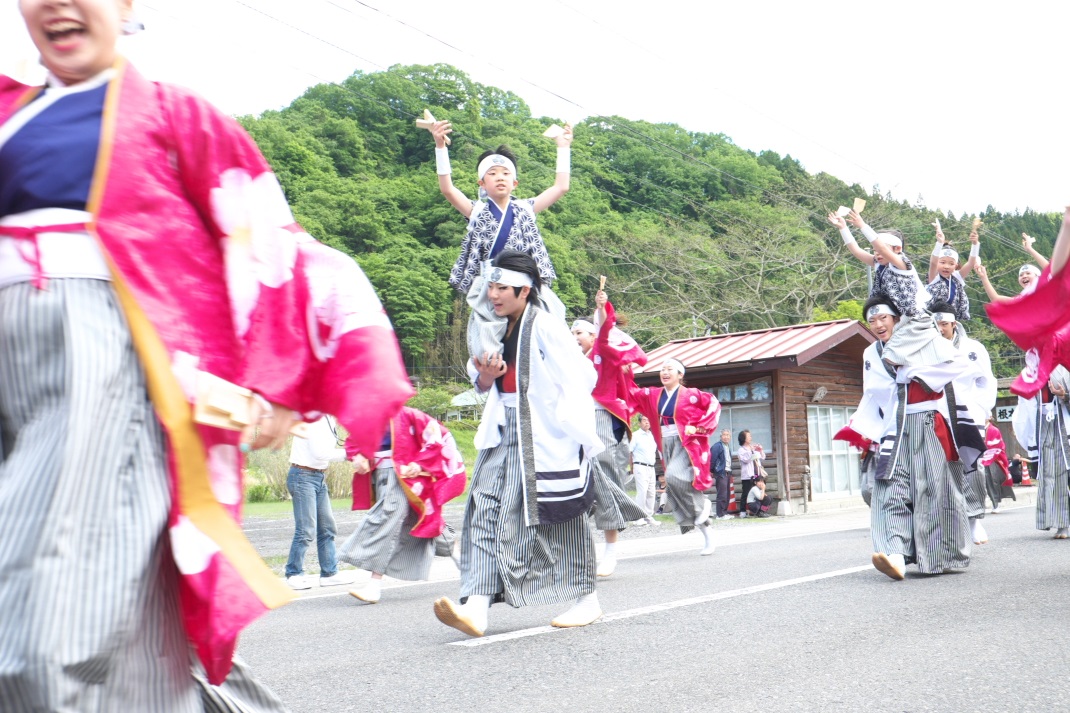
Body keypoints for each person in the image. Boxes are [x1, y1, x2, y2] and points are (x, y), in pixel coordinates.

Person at [0, 1, 414, 708]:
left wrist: (278, 381)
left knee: (43, 631)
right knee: (137, 635)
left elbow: (269, 243)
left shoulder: (172, 114)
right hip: (16, 376)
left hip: (100, 374)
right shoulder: (13, 113)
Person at [432, 251, 604, 637]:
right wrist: (488, 377)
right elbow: (482, 384)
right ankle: (475, 606)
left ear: (524, 291)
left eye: (501, 288)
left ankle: (586, 597)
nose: (493, 294)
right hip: (503, 429)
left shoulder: (545, 325)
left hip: (544, 433)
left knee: (555, 517)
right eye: (490, 286)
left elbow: (580, 375)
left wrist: (568, 426)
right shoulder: (494, 327)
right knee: (483, 510)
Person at [835, 295, 972, 581]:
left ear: (898, 318)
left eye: (883, 318)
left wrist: (913, 373)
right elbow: (873, 391)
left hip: (928, 421)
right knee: (888, 488)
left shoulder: (925, 338)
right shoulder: (871, 353)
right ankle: (894, 553)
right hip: (893, 428)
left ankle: (939, 556)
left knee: (933, 488)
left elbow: (958, 364)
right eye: (871, 320)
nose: (877, 324)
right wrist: (867, 429)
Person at [429, 119, 572, 359]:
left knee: (548, 324)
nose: (500, 177)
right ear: (481, 184)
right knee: (489, 338)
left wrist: (563, 147)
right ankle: (492, 369)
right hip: (492, 285)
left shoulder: (526, 208)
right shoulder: (475, 210)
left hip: (524, 282)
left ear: (515, 182)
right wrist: (440, 147)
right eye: (492, 174)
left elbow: (561, 187)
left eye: (506, 173)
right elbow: (447, 189)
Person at [343, 407, 467, 604]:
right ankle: (460, 556)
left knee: (387, 520)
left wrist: (421, 464)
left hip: (404, 475)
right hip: (382, 474)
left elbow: (434, 435)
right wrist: (357, 456)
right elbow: (353, 441)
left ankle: (374, 585)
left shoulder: (409, 415)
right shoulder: (366, 415)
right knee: (419, 519)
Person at [571, 289, 648, 576]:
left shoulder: (602, 351)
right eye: (572, 333)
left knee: (602, 475)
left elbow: (604, 328)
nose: (575, 337)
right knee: (571, 482)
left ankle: (611, 550)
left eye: (580, 332)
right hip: (574, 422)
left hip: (602, 416)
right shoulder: (568, 361)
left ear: (592, 337)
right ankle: (574, 553)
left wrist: (601, 308)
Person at [632, 359, 720, 554]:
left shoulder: (692, 395)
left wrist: (698, 427)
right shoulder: (654, 394)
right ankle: (707, 530)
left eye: (670, 369)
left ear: (680, 375)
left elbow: (713, 405)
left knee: (672, 476)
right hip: (665, 442)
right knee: (674, 486)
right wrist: (622, 370)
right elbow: (632, 393)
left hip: (686, 443)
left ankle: (703, 509)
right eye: (662, 369)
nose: (665, 372)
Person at [931, 301, 996, 545]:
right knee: (944, 469)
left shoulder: (973, 348)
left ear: (954, 324)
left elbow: (986, 381)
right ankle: (950, 523)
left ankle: (974, 519)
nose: (940, 328)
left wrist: (980, 409)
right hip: (939, 415)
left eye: (944, 324)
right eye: (936, 324)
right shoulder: (928, 348)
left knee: (973, 467)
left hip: (969, 415)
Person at [284, 416, 354, 590]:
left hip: (318, 476)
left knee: (327, 527)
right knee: (306, 529)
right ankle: (293, 573)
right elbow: (320, 453)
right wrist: (350, 453)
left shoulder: (329, 418)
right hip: (302, 476)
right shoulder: (313, 417)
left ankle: (329, 573)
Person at [1011, 367, 1070, 539]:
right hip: (1044, 426)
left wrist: (1064, 396)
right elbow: (1024, 407)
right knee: (1053, 477)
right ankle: (1062, 523)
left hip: (1065, 425)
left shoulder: (1065, 367)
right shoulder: (1028, 372)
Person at [925, 224, 978, 320]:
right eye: (942, 262)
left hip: (951, 319)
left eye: (951, 263)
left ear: (956, 265)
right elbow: (933, 262)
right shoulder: (933, 277)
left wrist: (975, 244)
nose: (946, 266)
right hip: (932, 318)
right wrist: (939, 243)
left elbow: (971, 263)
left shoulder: (957, 277)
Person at [979, 418, 1014, 513]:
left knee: (991, 481)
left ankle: (995, 504)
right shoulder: (980, 428)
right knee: (984, 482)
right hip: (982, 458)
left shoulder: (993, 430)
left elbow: (995, 445)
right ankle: (986, 503)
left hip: (993, 458)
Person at [629, 415, 659, 525]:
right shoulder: (635, 435)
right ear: (640, 423)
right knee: (642, 492)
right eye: (644, 420)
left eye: (648, 420)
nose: (647, 422)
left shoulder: (652, 435)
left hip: (651, 467)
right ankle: (639, 517)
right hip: (640, 466)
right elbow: (630, 452)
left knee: (651, 492)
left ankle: (648, 516)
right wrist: (631, 468)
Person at [737, 430, 764, 519]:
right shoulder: (741, 450)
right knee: (746, 493)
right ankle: (742, 511)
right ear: (743, 438)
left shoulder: (752, 448)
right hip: (748, 475)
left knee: (759, 492)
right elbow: (746, 460)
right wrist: (752, 450)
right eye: (749, 436)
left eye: (750, 436)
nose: (751, 438)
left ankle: (759, 511)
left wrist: (760, 450)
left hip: (757, 474)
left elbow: (762, 457)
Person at [711, 428, 734, 519]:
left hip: (728, 472)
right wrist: (712, 470)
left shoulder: (727, 446)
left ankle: (724, 512)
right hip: (721, 472)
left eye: (728, 435)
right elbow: (712, 460)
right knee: (722, 494)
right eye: (724, 435)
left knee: (727, 494)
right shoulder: (717, 446)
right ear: (721, 436)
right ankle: (720, 514)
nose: (726, 437)